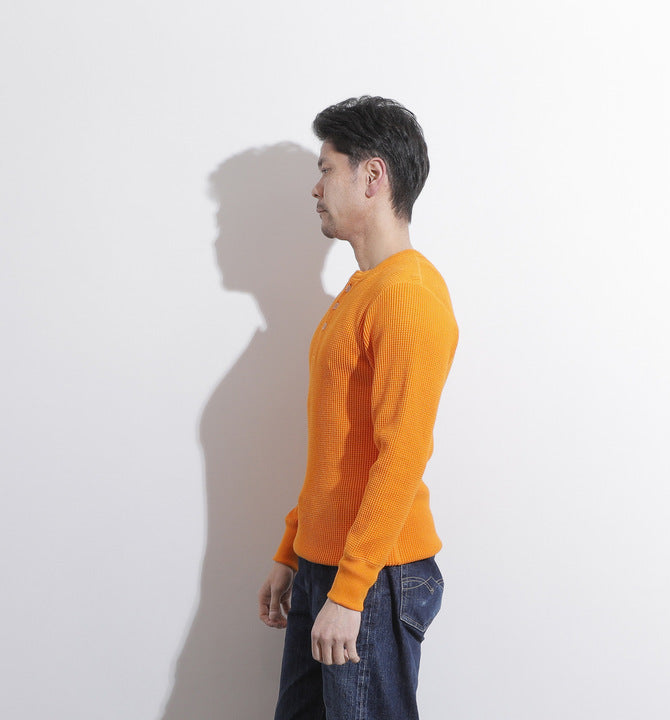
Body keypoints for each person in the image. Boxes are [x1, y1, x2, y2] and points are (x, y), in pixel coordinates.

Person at [258, 96, 459, 720]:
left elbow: (402, 454)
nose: (316, 188)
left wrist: (349, 591)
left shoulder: (407, 292)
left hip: (373, 575)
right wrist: (294, 549)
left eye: (326, 168)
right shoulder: (360, 291)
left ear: (373, 176)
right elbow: (338, 448)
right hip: (330, 565)